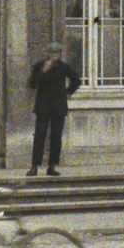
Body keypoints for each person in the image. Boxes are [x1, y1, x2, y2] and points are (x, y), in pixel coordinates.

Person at [27, 42, 81, 177]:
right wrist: (42, 71)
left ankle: (52, 166)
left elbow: (76, 80)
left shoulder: (63, 67)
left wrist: (68, 92)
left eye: (56, 53)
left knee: (56, 136)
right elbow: (32, 84)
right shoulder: (39, 66)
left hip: (58, 106)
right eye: (51, 52)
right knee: (40, 135)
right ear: (47, 53)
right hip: (43, 105)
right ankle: (34, 166)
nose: (53, 55)